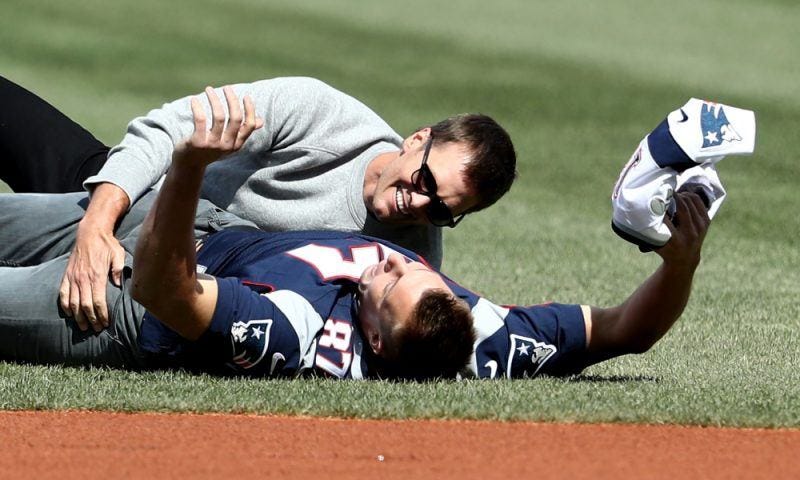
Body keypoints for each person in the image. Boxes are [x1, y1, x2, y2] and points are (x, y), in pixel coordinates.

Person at [0, 89, 712, 380]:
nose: (402, 259)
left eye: (392, 282)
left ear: (371, 336)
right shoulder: (477, 332)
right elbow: (622, 332)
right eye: (420, 272)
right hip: (148, 207)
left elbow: (165, 290)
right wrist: (680, 262)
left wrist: (190, 170)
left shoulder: (297, 329)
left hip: (136, 291)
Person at [0, 76, 517, 330]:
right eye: (425, 178)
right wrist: (97, 225)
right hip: (135, 202)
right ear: (417, 139)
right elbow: (167, 129)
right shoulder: (322, 114)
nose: (417, 203)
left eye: (442, 210)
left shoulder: (405, 263)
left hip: (162, 273)